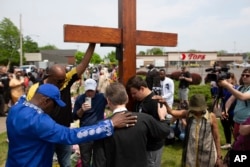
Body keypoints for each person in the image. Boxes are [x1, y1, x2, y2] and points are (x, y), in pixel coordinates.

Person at [6, 84, 137, 167]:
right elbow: (70, 136)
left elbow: (21, 96)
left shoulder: (17, 108)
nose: (55, 109)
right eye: (55, 104)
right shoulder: (39, 121)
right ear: (45, 101)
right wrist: (110, 124)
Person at [26, 43, 97, 167]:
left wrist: (92, 44)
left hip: (63, 131)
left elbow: (82, 65)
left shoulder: (64, 81)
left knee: (66, 163)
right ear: (49, 77)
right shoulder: (36, 89)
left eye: (64, 80)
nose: (63, 83)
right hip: (46, 134)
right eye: (59, 81)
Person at [92, 82, 170, 167]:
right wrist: (162, 117)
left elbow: (99, 161)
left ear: (108, 101)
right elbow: (164, 131)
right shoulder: (144, 119)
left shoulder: (103, 126)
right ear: (127, 98)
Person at [154, 94, 223, 167]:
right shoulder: (188, 114)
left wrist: (219, 157)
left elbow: (216, 137)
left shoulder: (211, 117)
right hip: (191, 155)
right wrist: (165, 103)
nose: (196, 111)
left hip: (207, 154)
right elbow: (172, 112)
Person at [126, 75, 165, 167]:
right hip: (142, 146)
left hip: (152, 147)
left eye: (134, 93)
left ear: (142, 89)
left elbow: (161, 129)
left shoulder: (155, 102)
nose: (133, 96)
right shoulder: (139, 101)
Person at [72, 78, 107, 167]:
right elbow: (75, 117)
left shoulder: (101, 97)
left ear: (95, 89)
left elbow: (112, 101)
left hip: (98, 133)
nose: (90, 93)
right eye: (88, 91)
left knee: (99, 159)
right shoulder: (80, 99)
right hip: (85, 133)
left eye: (91, 91)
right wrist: (82, 110)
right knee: (85, 160)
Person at [219, 68, 250, 141]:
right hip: (237, 121)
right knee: (238, 143)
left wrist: (227, 85)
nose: (244, 77)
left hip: (247, 123)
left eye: (247, 75)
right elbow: (230, 100)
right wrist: (225, 110)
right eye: (243, 75)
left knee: (246, 144)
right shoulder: (240, 88)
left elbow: (242, 97)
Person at [220, 72, 238, 149]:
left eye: (228, 78)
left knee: (235, 128)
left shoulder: (236, 88)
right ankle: (228, 143)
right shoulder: (223, 89)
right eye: (225, 79)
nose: (226, 80)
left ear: (232, 79)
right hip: (225, 111)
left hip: (234, 111)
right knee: (226, 127)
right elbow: (221, 100)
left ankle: (238, 142)